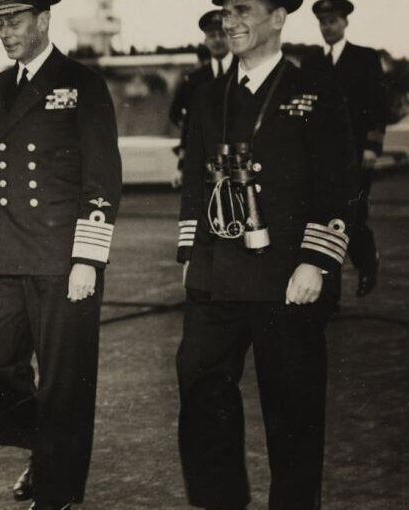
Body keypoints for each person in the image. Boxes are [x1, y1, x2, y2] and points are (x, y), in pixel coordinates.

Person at [0, 1, 122, 508]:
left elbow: (103, 179)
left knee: (65, 382)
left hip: (64, 260)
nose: (5, 32)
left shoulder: (83, 83)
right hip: (6, 251)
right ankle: (44, 447)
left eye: (13, 21)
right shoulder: (3, 86)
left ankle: (55, 490)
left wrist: (88, 259)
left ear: (42, 20)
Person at [175, 0, 359, 509]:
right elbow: (195, 181)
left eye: (242, 9)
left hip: (286, 276)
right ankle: (221, 501)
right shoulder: (208, 95)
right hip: (217, 274)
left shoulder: (315, 92)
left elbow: (339, 183)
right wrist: (190, 251)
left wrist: (317, 260)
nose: (229, 21)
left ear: (278, 18)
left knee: (292, 409)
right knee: (199, 382)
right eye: (224, 11)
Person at [302, 0, 387, 296]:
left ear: (345, 23)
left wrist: (373, 146)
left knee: (354, 214)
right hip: (322, 156)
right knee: (325, 218)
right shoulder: (312, 62)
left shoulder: (365, 58)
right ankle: (330, 294)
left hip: (356, 154)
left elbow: (379, 105)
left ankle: (367, 262)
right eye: (323, 22)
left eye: (332, 21)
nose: (327, 27)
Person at [169, 9, 235, 188]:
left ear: (230, 36)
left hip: (239, 163)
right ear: (205, 40)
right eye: (212, 35)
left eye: (222, 34)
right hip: (206, 164)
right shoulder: (195, 80)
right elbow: (189, 126)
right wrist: (181, 166)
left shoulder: (245, 70)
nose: (217, 39)